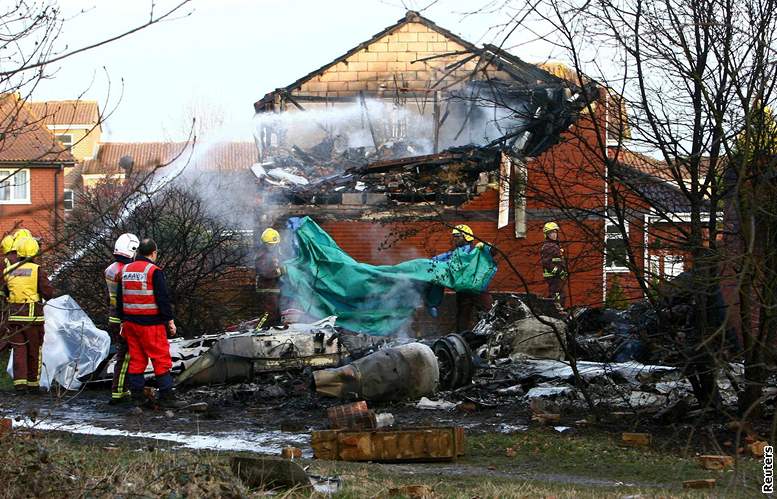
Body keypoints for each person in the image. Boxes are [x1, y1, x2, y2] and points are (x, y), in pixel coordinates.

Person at [116, 238, 185, 409]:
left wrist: (123, 320)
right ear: (154, 252)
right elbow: (163, 299)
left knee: (136, 360)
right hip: (151, 324)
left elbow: (119, 299)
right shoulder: (154, 271)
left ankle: (137, 398)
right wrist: (169, 321)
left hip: (130, 324)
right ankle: (167, 397)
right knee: (161, 359)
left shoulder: (124, 270)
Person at [5, 236, 53, 392]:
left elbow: (5, 291)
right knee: (34, 350)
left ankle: (20, 384)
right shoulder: (37, 270)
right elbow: (48, 293)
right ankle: (33, 384)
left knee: (19, 350)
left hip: (13, 318)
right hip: (33, 319)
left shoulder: (9, 270)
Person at [434, 224, 493, 333]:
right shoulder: (455, 254)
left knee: (489, 314)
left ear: (467, 237)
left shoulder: (476, 251)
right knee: (462, 319)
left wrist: (487, 247)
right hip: (463, 290)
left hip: (478, 289)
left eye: (458, 236)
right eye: (454, 236)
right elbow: (437, 261)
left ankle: (490, 337)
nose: (455, 239)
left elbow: (492, 253)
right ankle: (462, 341)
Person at [104, 233, 139, 404]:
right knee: (125, 356)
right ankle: (118, 392)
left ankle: (123, 389)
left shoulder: (110, 269)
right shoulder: (125, 271)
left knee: (123, 354)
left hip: (113, 315)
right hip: (123, 317)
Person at [254, 228, 284, 327]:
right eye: (270, 244)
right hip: (266, 289)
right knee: (268, 313)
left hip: (273, 289)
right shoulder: (262, 255)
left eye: (274, 244)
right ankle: (258, 330)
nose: (273, 246)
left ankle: (275, 330)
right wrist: (281, 271)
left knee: (276, 313)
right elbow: (266, 272)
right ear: (265, 243)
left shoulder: (272, 254)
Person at [540, 222, 568, 309]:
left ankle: (555, 309)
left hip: (557, 276)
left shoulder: (555, 245)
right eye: (551, 233)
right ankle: (556, 310)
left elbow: (558, 261)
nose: (554, 234)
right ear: (547, 234)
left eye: (555, 232)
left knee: (558, 294)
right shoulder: (548, 246)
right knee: (557, 295)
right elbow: (547, 263)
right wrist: (558, 271)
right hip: (553, 276)